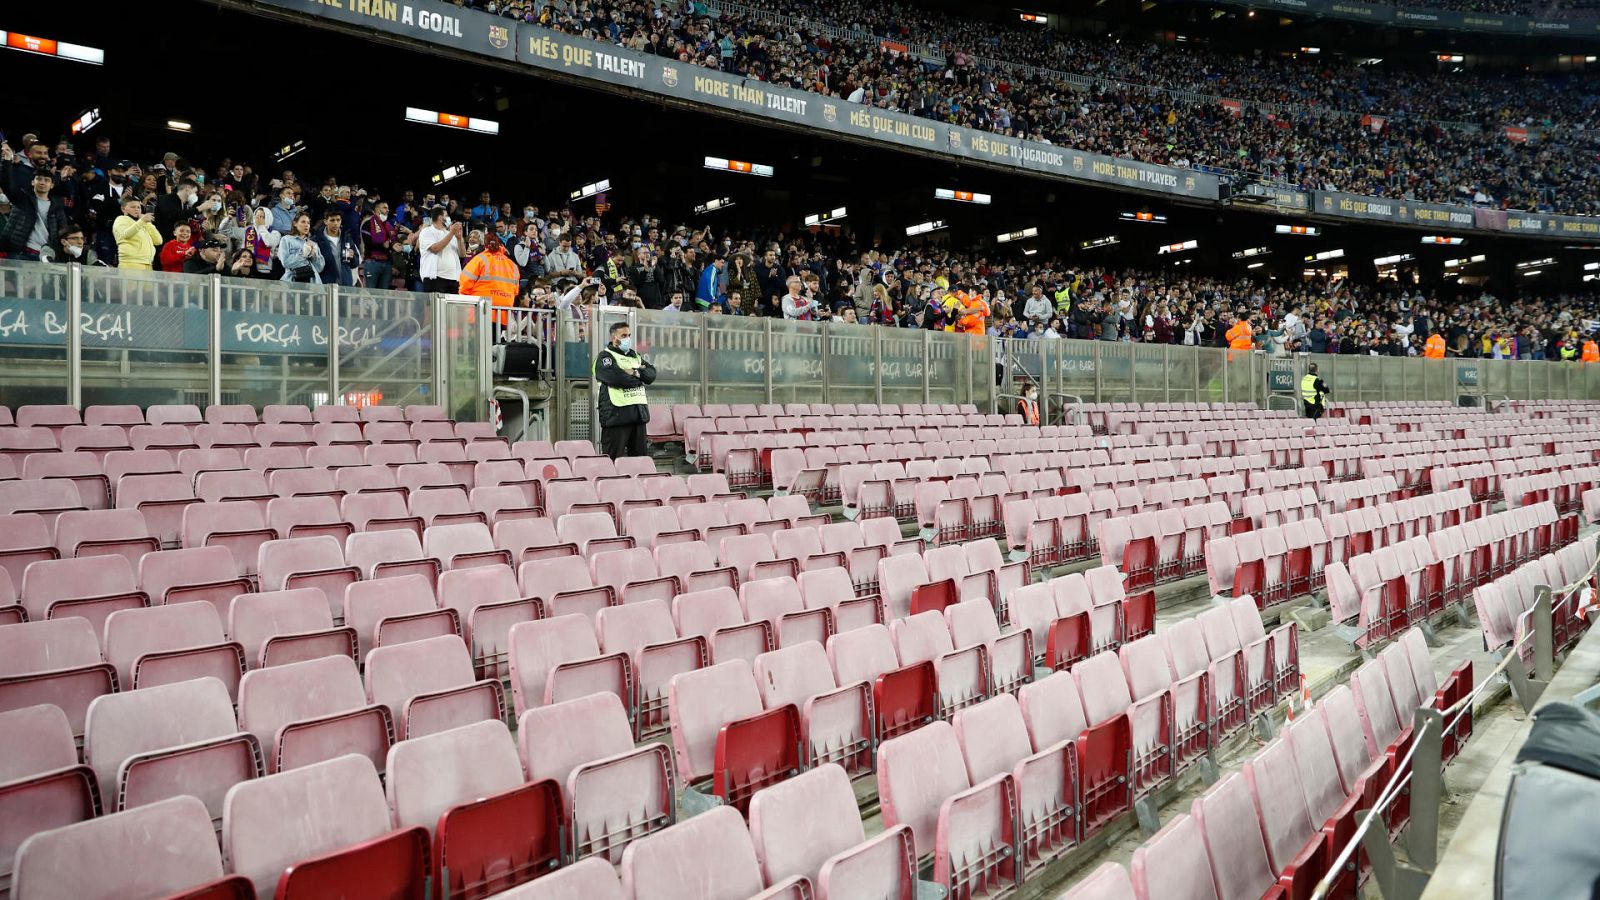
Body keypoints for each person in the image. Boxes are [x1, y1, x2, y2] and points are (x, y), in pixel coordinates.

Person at [594, 320, 657, 459]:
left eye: (628, 335)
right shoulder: (605, 357)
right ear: (613, 338)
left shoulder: (635, 356)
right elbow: (617, 378)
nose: (627, 338)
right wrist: (640, 378)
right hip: (616, 417)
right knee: (612, 461)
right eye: (623, 336)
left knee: (640, 463)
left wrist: (634, 372)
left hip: (638, 416)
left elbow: (651, 374)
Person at [459, 232, 521, 330]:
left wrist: (465, 301)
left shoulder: (479, 259)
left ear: (485, 245)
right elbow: (516, 291)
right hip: (503, 315)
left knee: (479, 344)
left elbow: (465, 283)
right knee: (496, 344)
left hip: (480, 311)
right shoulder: (512, 265)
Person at [417, 207, 464, 293]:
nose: (449, 218)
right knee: (434, 306)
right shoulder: (427, 231)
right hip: (435, 278)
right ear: (440, 217)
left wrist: (459, 239)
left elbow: (462, 254)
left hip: (453, 278)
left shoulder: (449, 233)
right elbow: (435, 249)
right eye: (446, 215)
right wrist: (451, 233)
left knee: (451, 306)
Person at [111, 195, 162, 270]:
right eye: (133, 207)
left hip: (148, 264)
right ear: (123, 209)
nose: (137, 209)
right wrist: (142, 221)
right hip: (130, 264)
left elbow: (158, 241)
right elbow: (126, 234)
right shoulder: (121, 219)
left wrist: (147, 223)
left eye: (139, 207)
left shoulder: (141, 223)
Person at [277, 212, 324, 283]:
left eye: (308, 223)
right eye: (303, 222)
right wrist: (302, 253)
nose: (306, 225)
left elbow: (319, 268)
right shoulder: (286, 239)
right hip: (292, 282)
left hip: (313, 283)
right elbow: (285, 263)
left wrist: (314, 255)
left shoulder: (313, 244)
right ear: (295, 223)